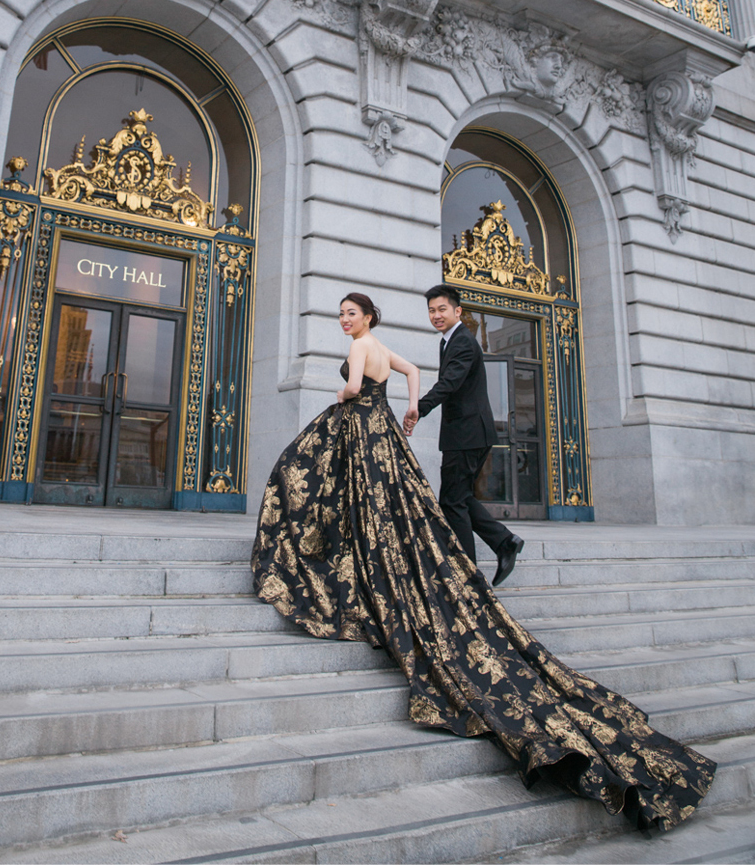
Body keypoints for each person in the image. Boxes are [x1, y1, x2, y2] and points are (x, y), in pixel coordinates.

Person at [252, 290, 714, 833]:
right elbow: (414, 370)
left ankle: (464, 563)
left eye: (349, 313)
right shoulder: (390, 346)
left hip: (381, 431)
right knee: (412, 506)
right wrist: (407, 404)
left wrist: (355, 394)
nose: (343, 320)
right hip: (385, 439)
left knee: (368, 496)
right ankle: (480, 555)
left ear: (368, 317)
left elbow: (357, 387)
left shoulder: (377, 347)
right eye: (341, 314)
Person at [403, 283, 523, 586]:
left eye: (442, 309)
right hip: (466, 433)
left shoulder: (463, 342)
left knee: (453, 502)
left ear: (458, 311)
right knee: (458, 497)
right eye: (431, 310)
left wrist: (419, 407)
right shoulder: (449, 341)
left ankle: (469, 576)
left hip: (468, 433)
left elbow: (451, 383)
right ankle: (504, 541)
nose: (436, 315)